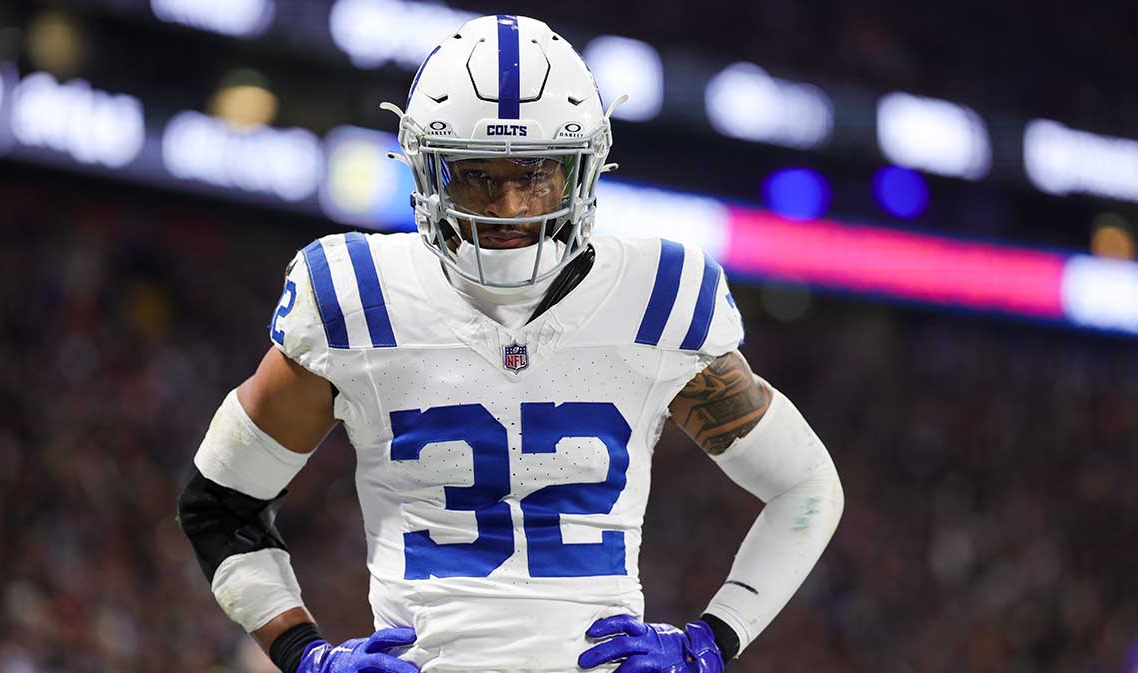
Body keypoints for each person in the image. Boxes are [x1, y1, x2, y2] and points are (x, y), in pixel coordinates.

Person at [177, 14, 843, 673]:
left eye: (536, 173)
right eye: (477, 174)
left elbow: (806, 486)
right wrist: (306, 656)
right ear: (428, 170)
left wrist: (712, 639)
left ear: (583, 170)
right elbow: (219, 504)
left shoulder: (659, 295)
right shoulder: (355, 297)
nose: (511, 207)